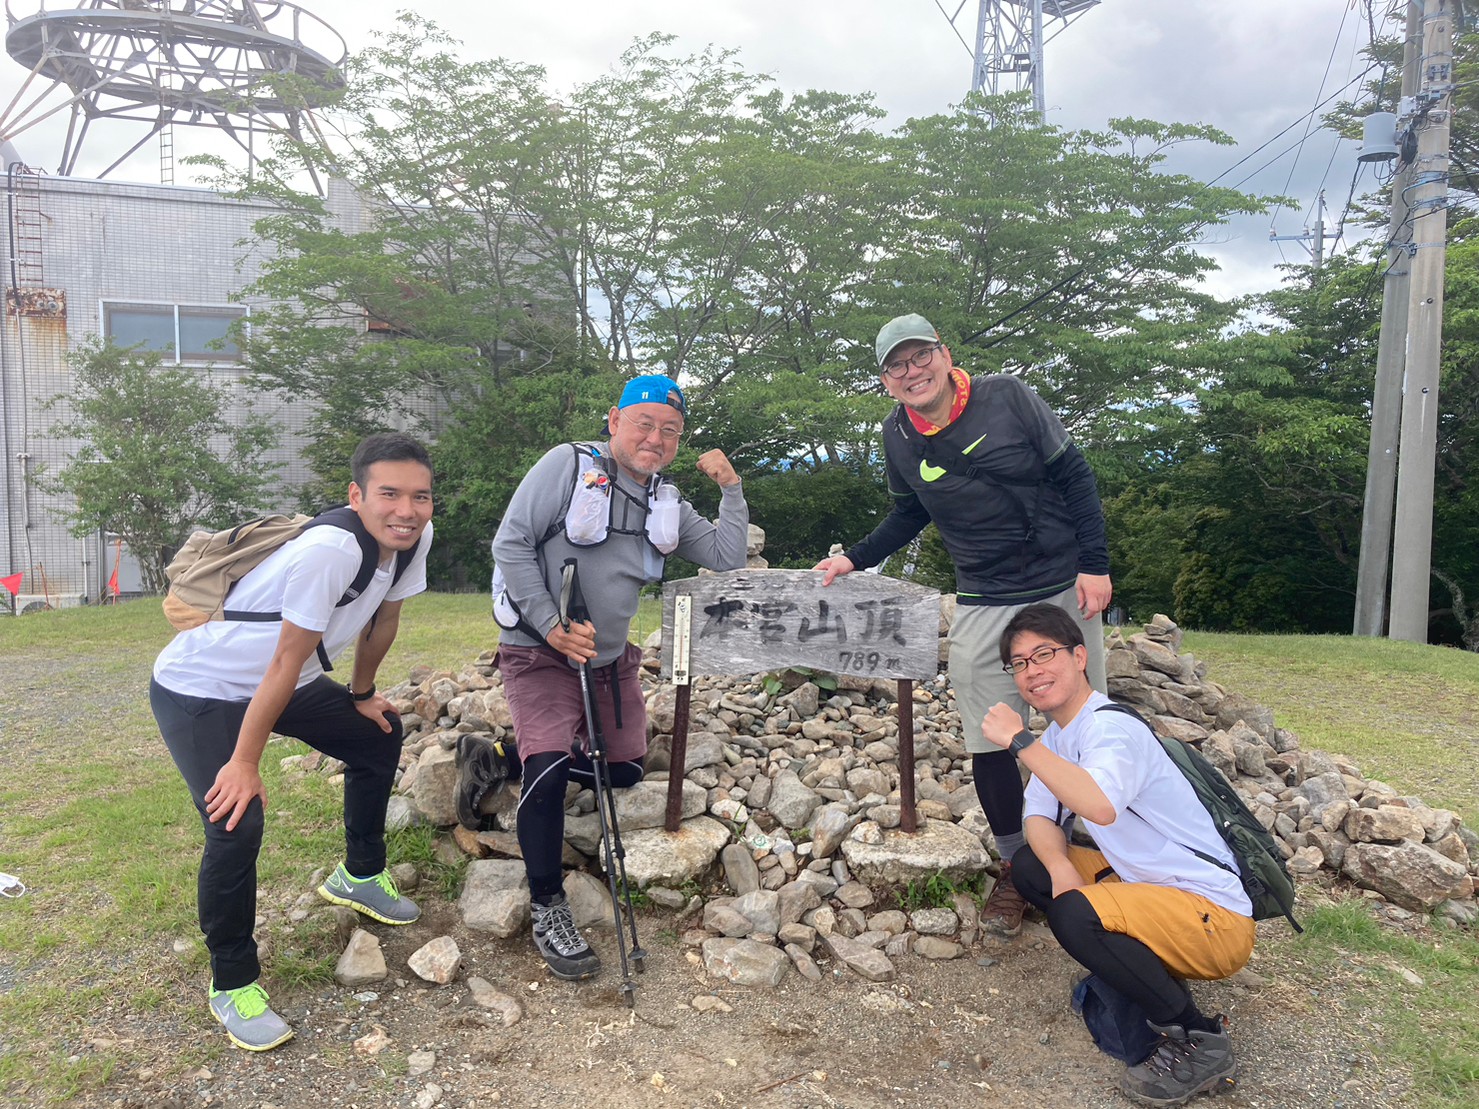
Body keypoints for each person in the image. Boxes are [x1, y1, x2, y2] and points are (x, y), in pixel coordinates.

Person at [815, 313, 1111, 936]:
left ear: (945, 356)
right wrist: (853, 557)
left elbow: (1074, 475)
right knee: (989, 735)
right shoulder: (897, 434)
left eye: (919, 356)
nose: (911, 371)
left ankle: (1105, 852)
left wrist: (1095, 565)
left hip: (1061, 579)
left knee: (1087, 725)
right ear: (886, 381)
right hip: (982, 592)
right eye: (896, 366)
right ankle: (1018, 865)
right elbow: (906, 514)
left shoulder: (1009, 397)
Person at [151, 432, 435, 1052]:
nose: (406, 510)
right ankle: (232, 982)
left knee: (376, 737)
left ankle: (359, 875)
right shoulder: (331, 549)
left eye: (420, 496)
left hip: (290, 680)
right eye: (389, 494)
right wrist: (245, 761)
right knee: (236, 818)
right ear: (356, 495)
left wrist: (362, 694)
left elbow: (385, 616)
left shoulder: (412, 541)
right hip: (202, 687)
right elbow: (283, 658)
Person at [491, 373, 748, 980]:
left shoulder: (665, 501)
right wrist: (552, 624)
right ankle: (548, 905)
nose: (655, 438)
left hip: (609, 660)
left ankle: (507, 756)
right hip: (541, 651)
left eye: (670, 430)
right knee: (553, 772)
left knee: (628, 767)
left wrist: (732, 489)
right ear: (614, 420)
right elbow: (511, 542)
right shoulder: (566, 465)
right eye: (644, 423)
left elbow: (727, 557)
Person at [982, 603, 1254, 1106]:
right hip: (1152, 892)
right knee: (1032, 868)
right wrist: (1062, 867)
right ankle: (1136, 968)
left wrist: (1018, 741)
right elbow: (1038, 817)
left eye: (1044, 654)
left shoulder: (1112, 730)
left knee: (1074, 915)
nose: (1032, 670)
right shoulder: (1063, 736)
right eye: (1019, 663)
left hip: (1214, 919)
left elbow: (1100, 806)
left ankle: (1199, 1038)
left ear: (1080, 656)